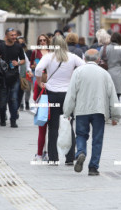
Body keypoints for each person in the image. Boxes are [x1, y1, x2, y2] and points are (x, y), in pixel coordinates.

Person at [63, 49, 121, 176]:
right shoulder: (104, 73)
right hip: (99, 110)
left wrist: (67, 112)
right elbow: (112, 95)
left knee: (81, 135)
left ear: (84, 59)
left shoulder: (78, 72)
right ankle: (93, 168)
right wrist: (115, 115)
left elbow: (71, 94)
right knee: (97, 138)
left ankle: (81, 152)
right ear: (98, 59)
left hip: (81, 110)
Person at [35, 35, 85, 164]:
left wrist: (40, 82)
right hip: (68, 95)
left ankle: (53, 158)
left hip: (52, 95)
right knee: (69, 124)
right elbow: (84, 67)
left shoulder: (48, 57)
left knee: (53, 127)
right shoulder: (72, 57)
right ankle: (69, 158)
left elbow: (38, 69)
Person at [0, 28, 25, 128]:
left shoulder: (18, 46)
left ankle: (13, 120)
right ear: (6, 36)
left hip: (14, 76)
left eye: (15, 35)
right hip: (2, 76)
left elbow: (23, 59)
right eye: (11, 35)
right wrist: (0, 62)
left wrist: (18, 63)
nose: (14, 37)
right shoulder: (0, 47)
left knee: (13, 98)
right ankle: (3, 118)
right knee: (3, 99)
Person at [100, 32, 121, 100]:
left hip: (105, 77)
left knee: (106, 99)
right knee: (116, 99)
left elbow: (98, 62)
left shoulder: (103, 49)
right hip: (117, 78)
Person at [33, 71, 49, 161]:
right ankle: (49, 154)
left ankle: (39, 154)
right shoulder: (53, 82)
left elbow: (35, 97)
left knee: (42, 133)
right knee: (53, 132)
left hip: (42, 110)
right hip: (53, 109)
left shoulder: (37, 82)